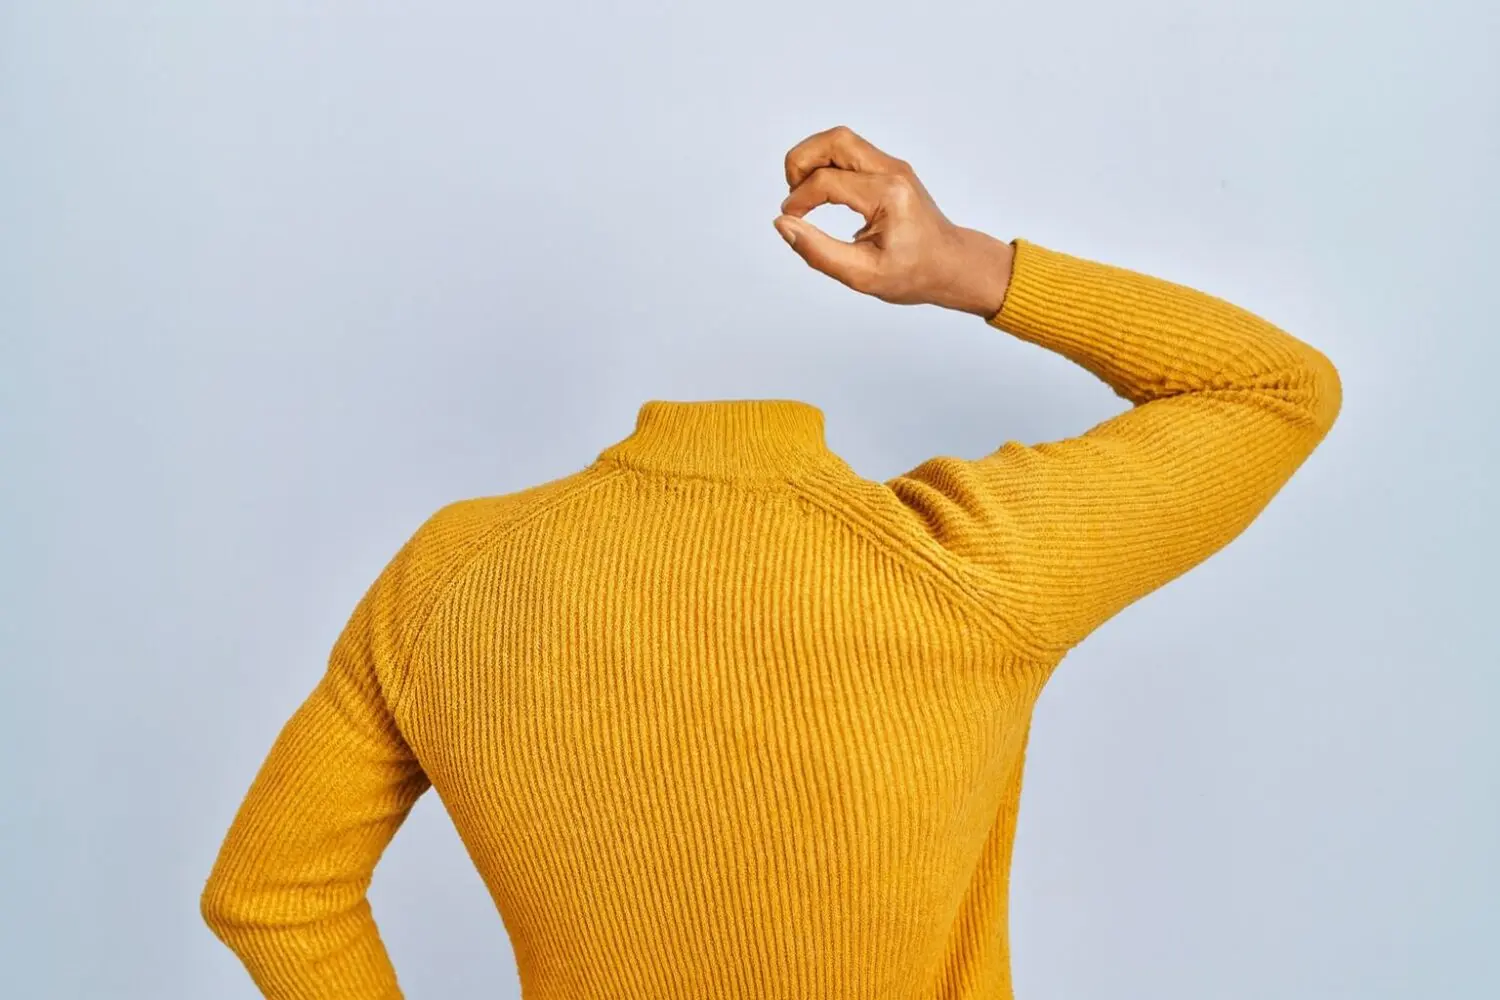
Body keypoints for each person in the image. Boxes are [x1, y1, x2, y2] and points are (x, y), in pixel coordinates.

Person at [200, 125, 1341, 999]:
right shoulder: (966, 562)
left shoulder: (452, 577)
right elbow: (1274, 389)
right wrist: (961, 266)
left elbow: (269, 894)